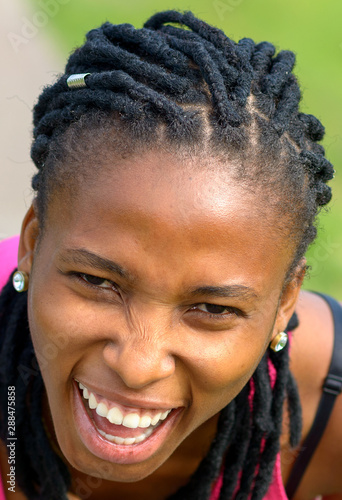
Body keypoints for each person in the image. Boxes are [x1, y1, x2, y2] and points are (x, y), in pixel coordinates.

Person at [0, 9, 341, 500]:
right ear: (32, 243)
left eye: (214, 309)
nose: (137, 366)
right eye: (98, 282)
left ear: (285, 302)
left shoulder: (327, 409)